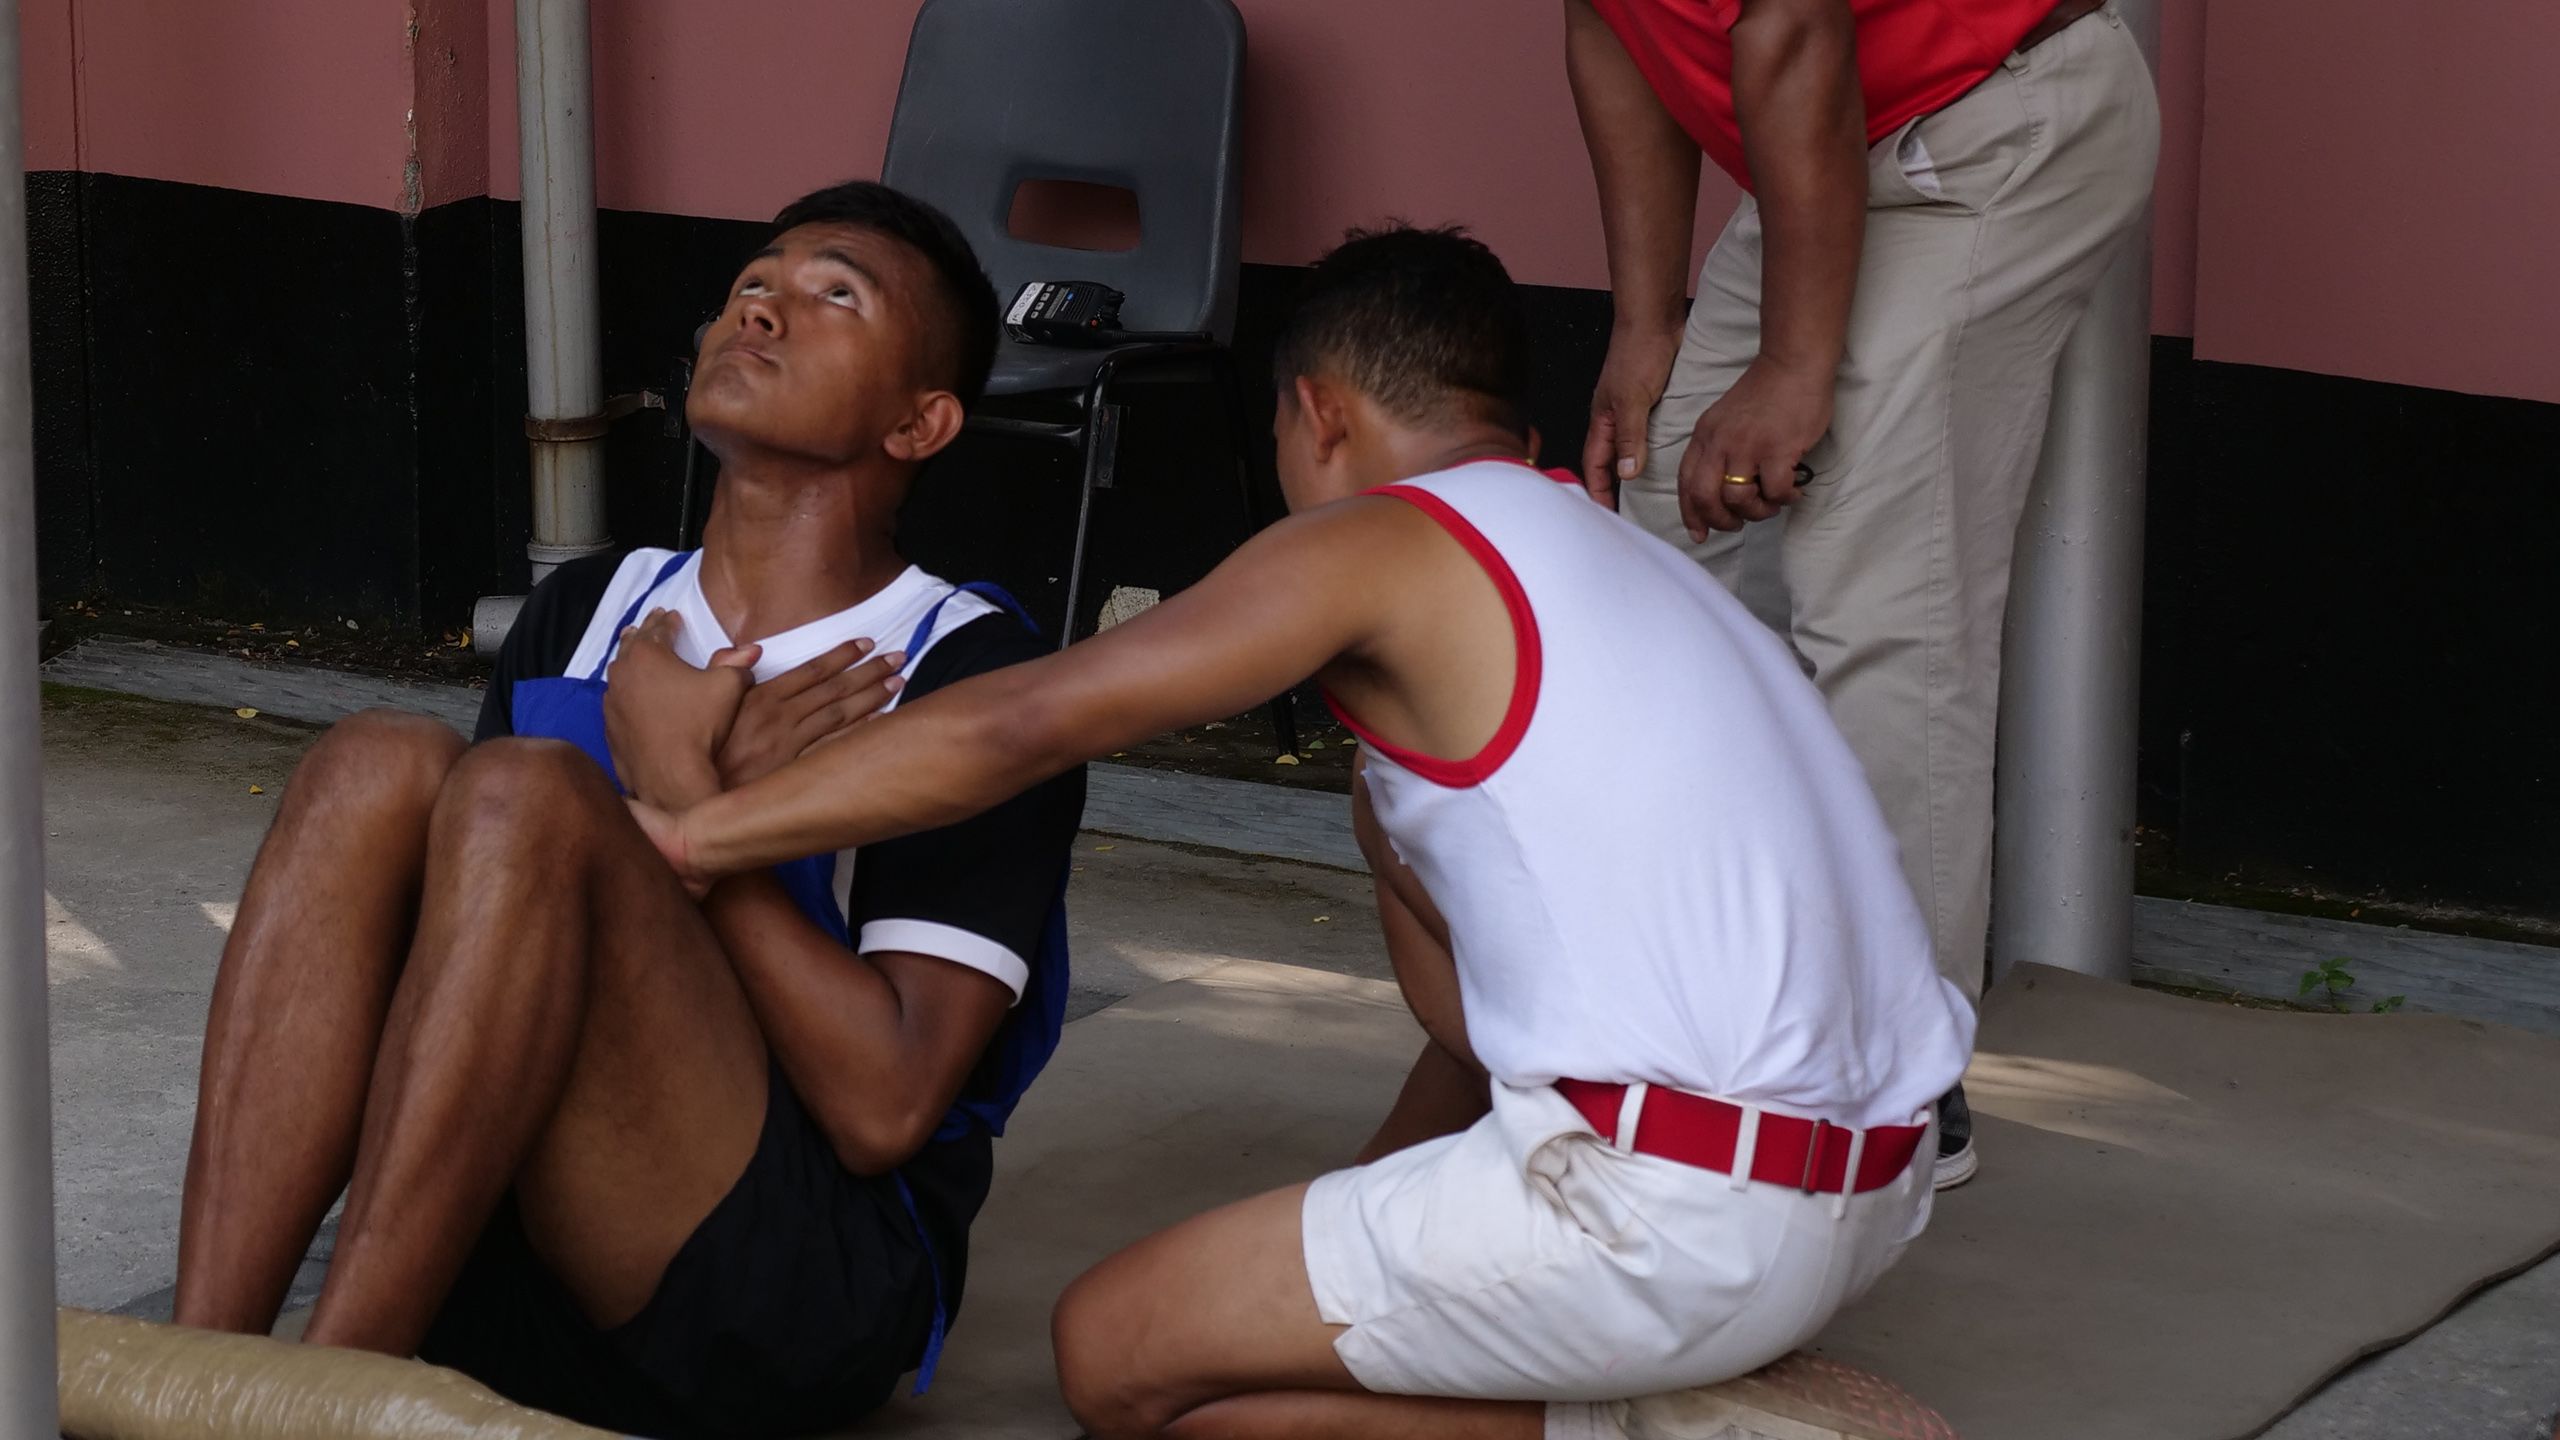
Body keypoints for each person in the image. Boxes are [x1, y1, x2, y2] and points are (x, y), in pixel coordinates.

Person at [617, 227, 1975, 1440]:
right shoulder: (1619, 562)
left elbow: (1017, 724)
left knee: (1114, 1358)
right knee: (1259, 1362)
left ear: (1315, 416)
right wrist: (1357, 1243)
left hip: (1675, 1215)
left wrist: (696, 829)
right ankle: (1668, 1397)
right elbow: (1469, 1031)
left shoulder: (1382, 540)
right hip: (1865, 1195)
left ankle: (1657, 1432)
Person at [168, 181, 1086, 1439]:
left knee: (529, 790)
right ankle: (194, 1378)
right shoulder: (592, 606)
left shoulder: (965, 674)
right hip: (505, 1247)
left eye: (833, 297)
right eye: (751, 284)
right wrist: (656, 806)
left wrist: (684, 800)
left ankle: (322, 1406)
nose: (762, 308)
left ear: (920, 423)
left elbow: (883, 1108)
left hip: (781, 1288)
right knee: (376, 760)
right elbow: (472, 980)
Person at [1565, 0, 2161, 1186]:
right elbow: (1604, 20)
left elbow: (1789, 33)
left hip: (1990, 128)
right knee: (1658, 539)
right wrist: (1645, 322)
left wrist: (1795, 365)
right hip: (1833, 146)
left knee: (1881, 589)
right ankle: (1723, 1001)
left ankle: (1896, 1085)